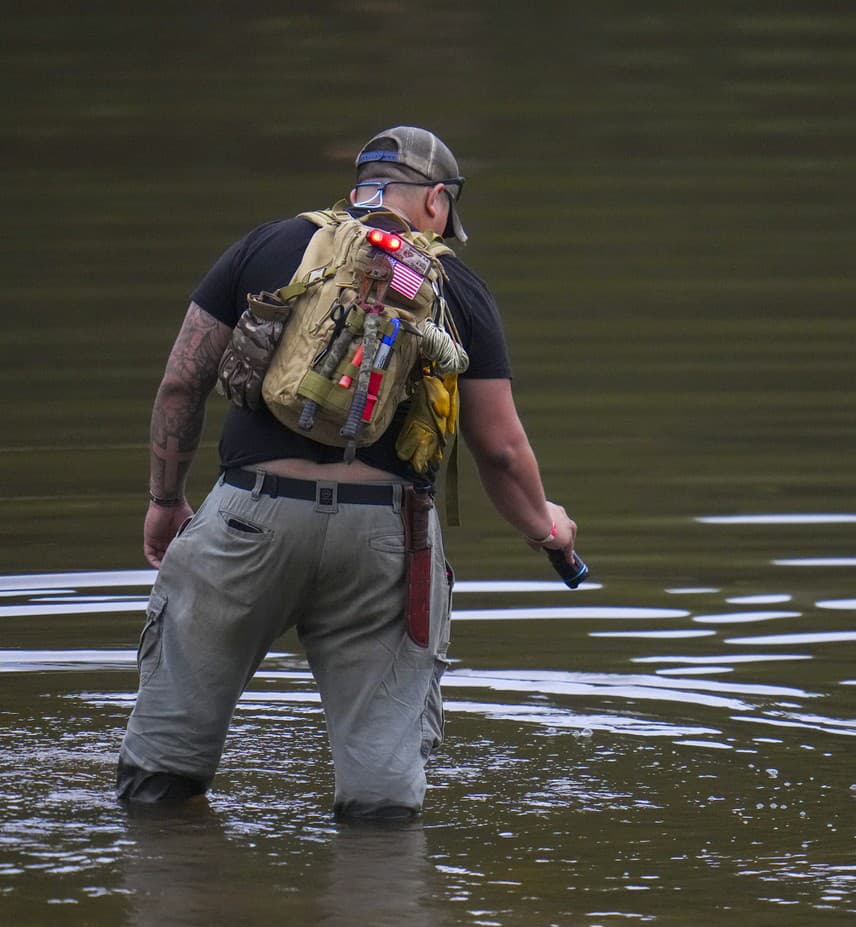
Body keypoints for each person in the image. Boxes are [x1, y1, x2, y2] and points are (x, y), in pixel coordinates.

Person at [117, 125, 579, 820]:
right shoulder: (452, 286)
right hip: (386, 542)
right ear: (434, 202)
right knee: (382, 803)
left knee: (159, 780)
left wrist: (164, 499)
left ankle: (169, 906)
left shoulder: (265, 248)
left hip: (248, 520)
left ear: (362, 187)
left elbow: (181, 387)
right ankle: (380, 916)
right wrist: (549, 530)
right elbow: (501, 451)